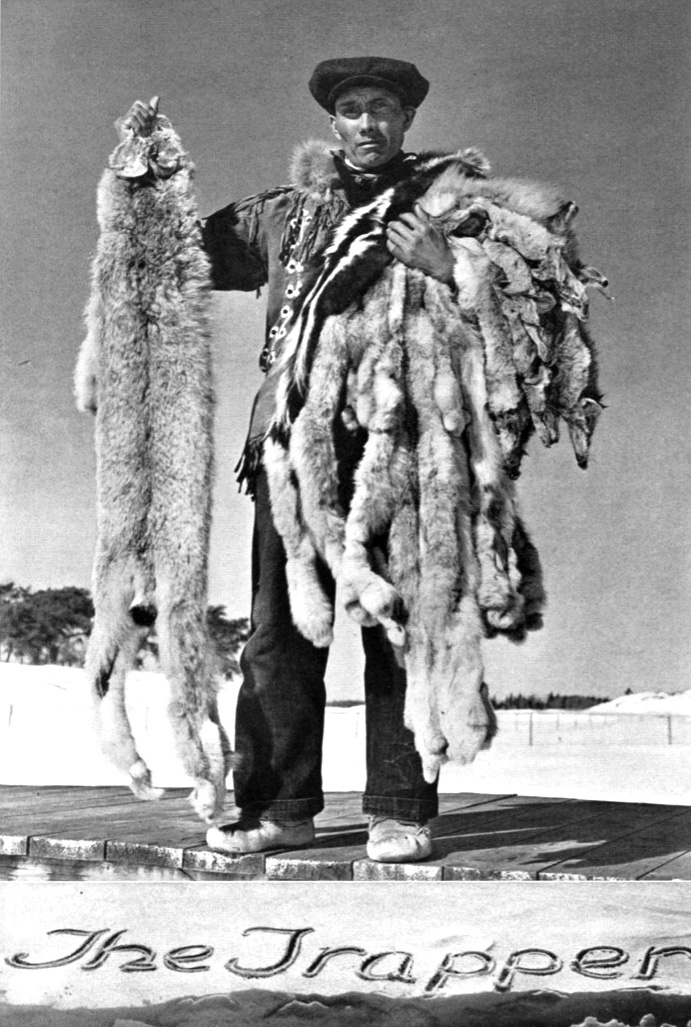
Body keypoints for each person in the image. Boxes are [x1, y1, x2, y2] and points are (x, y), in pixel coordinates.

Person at [119, 57, 461, 863]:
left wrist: (449, 267)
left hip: (403, 440)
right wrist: (141, 181)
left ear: (406, 120)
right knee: (278, 630)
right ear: (332, 122)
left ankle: (399, 808)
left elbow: (524, 300)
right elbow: (178, 254)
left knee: (400, 625)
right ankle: (279, 807)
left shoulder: (448, 207)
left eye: (383, 107)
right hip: (294, 442)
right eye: (352, 108)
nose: (368, 123)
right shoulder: (283, 215)